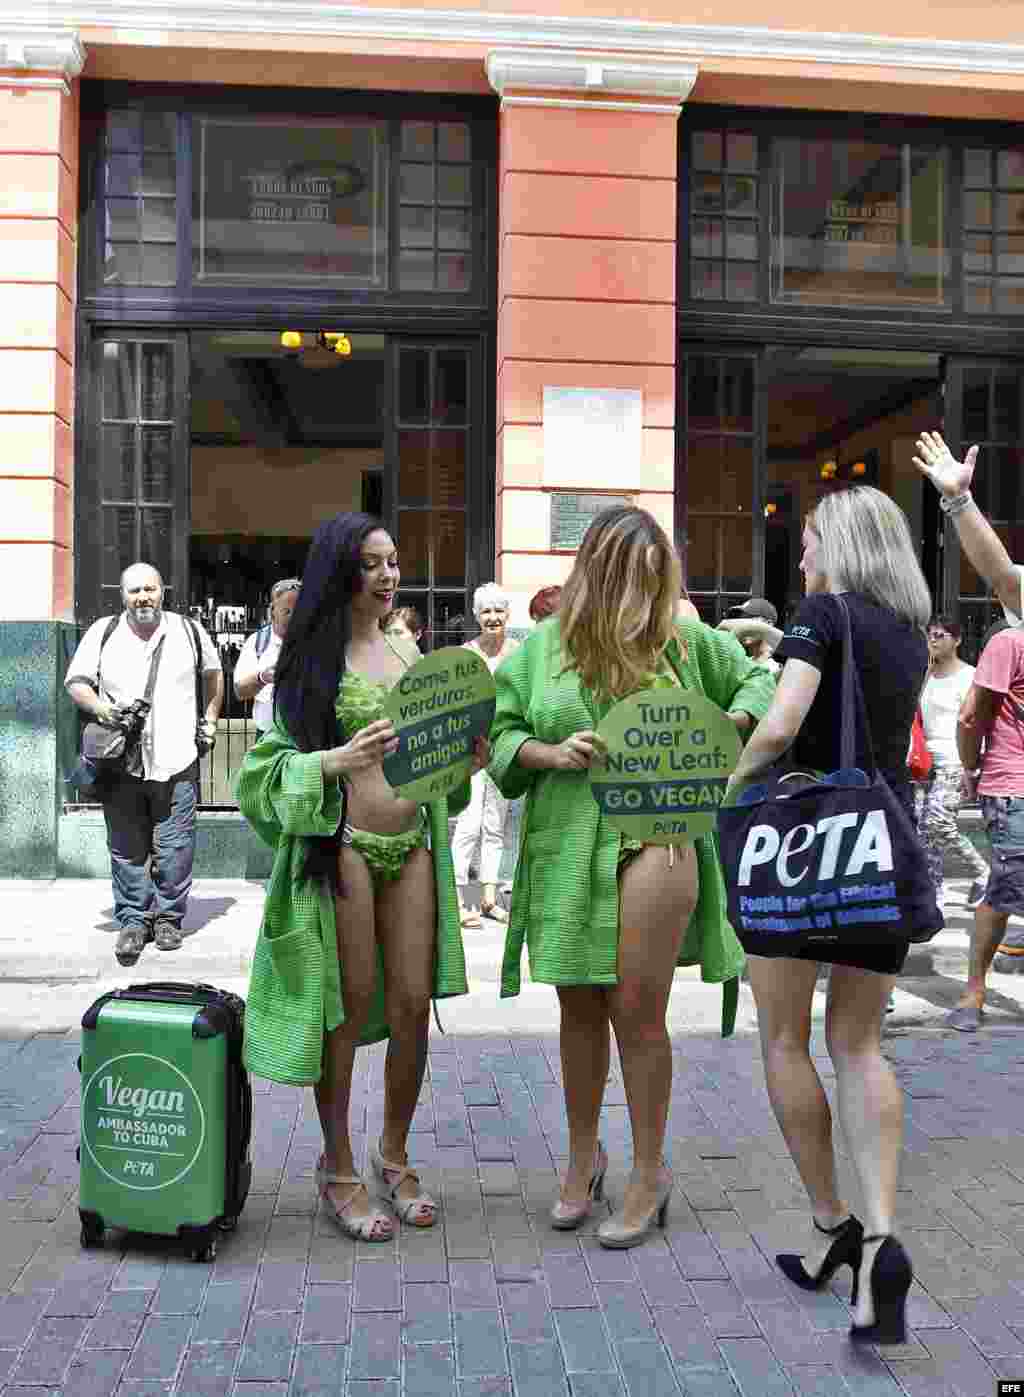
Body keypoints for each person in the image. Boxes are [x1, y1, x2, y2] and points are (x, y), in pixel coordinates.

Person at [488, 506, 774, 1249]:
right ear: (599, 576)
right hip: (568, 838)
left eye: (659, 582)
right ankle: (585, 1157)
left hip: (661, 837)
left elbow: (759, 684)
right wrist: (548, 754)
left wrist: (729, 729)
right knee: (578, 1007)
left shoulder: (684, 643)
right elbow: (499, 735)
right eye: (636, 582)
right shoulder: (541, 650)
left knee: (637, 1010)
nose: (647, 599)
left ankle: (650, 1173)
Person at [235, 513, 485, 1243]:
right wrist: (334, 762)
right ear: (342, 571)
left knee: (411, 1002)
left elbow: (441, 775)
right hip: (342, 843)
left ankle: (394, 1153)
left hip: (411, 844)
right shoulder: (308, 663)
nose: (388, 575)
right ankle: (337, 1165)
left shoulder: (412, 657)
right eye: (373, 563)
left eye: (394, 561)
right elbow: (262, 778)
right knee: (347, 1006)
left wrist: (461, 764)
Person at [725, 485, 931, 1344]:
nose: (801, 556)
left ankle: (829, 1221)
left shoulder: (822, 611)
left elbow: (783, 722)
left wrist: (732, 790)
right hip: (879, 851)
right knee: (860, 1043)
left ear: (838, 544)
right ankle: (880, 1236)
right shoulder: (910, 629)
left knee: (783, 1038)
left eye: (808, 540)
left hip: (805, 847)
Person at [65, 563, 223, 966]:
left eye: (149, 589)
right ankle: (134, 920)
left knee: (175, 845)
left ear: (162, 591)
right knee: (126, 846)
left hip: (177, 758)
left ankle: (169, 919)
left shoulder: (189, 631)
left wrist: (209, 720)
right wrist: (102, 709)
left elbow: (213, 676)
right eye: (134, 591)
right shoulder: (103, 632)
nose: (143, 597)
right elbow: (76, 682)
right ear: (123, 595)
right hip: (122, 762)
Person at [943, 623, 1024, 1030]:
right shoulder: (1010, 642)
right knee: (1009, 883)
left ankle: (974, 992)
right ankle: (973, 991)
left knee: (1004, 884)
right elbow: (971, 714)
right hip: (1015, 784)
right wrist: (971, 765)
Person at [451, 584, 520, 927]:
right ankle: (458, 899)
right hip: (471, 749)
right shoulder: (466, 653)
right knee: (468, 822)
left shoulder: (520, 653)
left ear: (508, 614)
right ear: (477, 617)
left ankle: (490, 898)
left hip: (503, 747)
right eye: (486, 612)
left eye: (498, 611)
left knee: (497, 824)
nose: (493, 618)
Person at [915, 616, 989, 909]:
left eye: (941, 635)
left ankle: (982, 872)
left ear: (956, 640)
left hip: (954, 760)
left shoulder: (968, 676)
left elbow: (975, 721)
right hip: (924, 762)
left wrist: (973, 764)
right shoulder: (926, 675)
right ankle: (935, 891)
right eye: (931, 636)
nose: (934, 640)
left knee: (939, 823)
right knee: (923, 829)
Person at [233, 577, 301, 737]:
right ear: (272, 610)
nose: (294, 618)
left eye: (299, 611)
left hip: (305, 740)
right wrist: (263, 677)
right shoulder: (257, 642)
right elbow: (239, 691)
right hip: (267, 737)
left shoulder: (316, 642)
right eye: (287, 611)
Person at [717, 598, 783, 676]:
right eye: (740, 620)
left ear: (768, 624)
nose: (743, 626)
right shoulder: (741, 663)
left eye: (749, 620)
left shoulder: (775, 669)